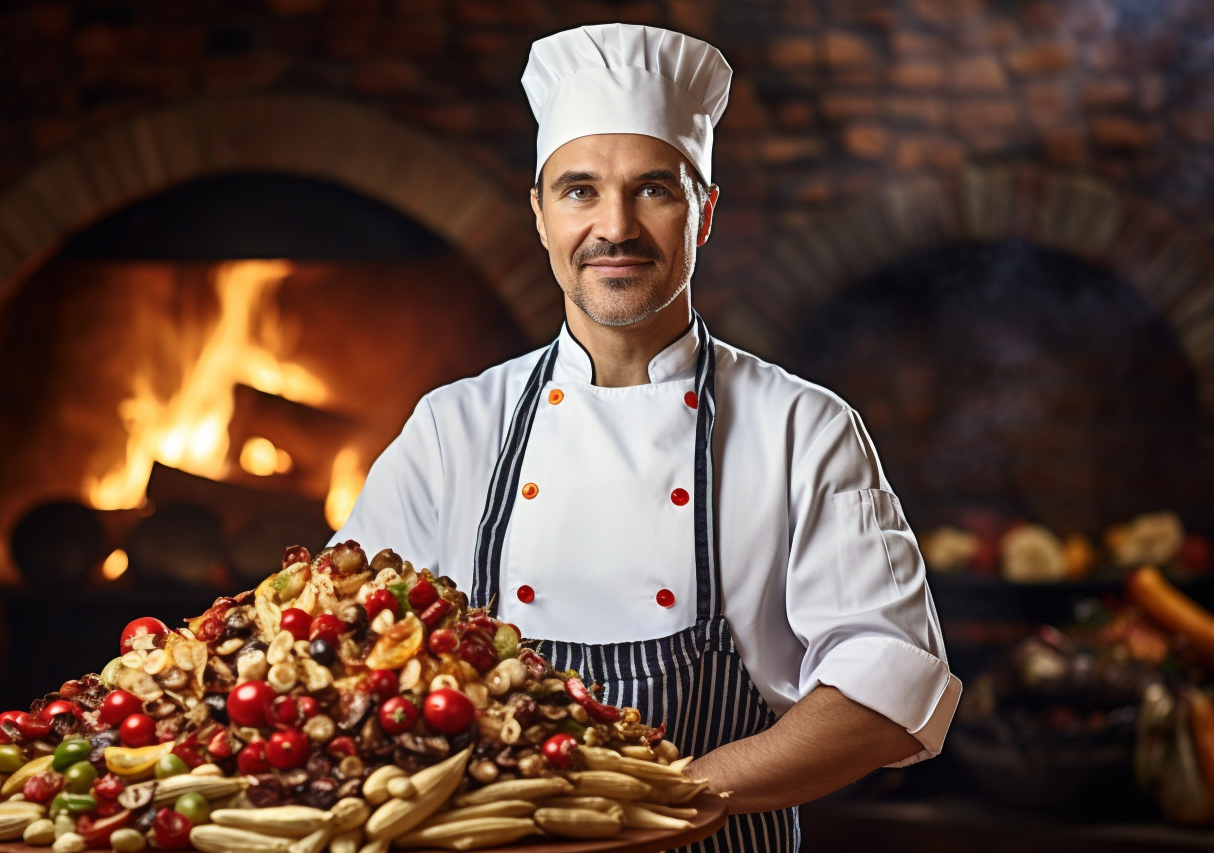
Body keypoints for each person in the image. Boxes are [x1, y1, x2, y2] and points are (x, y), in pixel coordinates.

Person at [331, 23, 960, 852]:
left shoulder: (801, 427)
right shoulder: (452, 429)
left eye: (654, 189)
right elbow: (339, 654)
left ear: (703, 213)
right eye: (580, 190)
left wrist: (662, 794)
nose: (615, 227)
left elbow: (888, 684)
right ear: (540, 213)